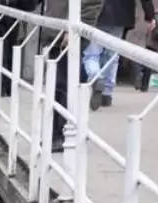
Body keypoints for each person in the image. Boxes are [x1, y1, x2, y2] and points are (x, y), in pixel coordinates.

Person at [36, 0, 104, 151]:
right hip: (55, 31)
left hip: (67, 35)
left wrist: (73, 30)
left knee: (62, 85)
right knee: (57, 85)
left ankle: (60, 135)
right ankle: (57, 134)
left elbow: (92, 4)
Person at [84, 0, 157, 108]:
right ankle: (107, 94)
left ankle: (95, 77)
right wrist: (150, 15)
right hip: (121, 14)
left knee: (92, 54)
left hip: (95, 12)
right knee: (111, 55)